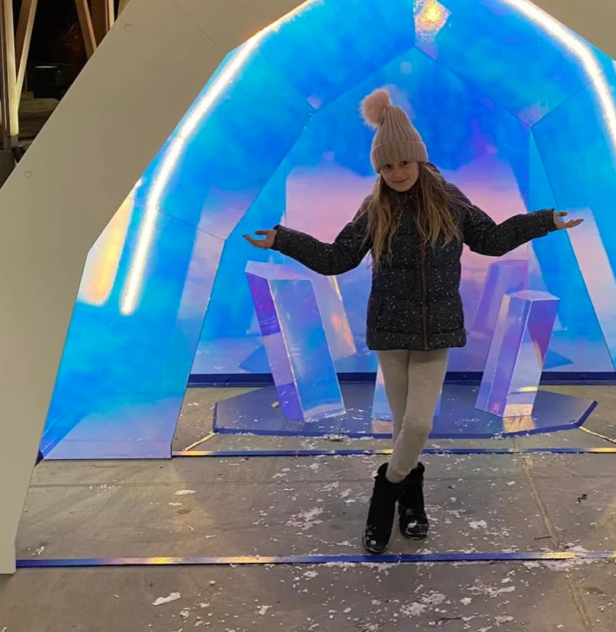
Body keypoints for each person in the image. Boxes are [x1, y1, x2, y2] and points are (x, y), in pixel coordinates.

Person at [245, 87, 581, 553]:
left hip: (434, 331)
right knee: (405, 427)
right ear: (379, 170)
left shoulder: (449, 201)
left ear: (418, 159)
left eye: (403, 162)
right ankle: (413, 500)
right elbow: (336, 258)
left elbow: (492, 240)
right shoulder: (374, 208)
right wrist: (282, 239)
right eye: (387, 166)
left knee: (418, 425)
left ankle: (384, 495)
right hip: (389, 330)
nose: (397, 173)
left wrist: (544, 221)